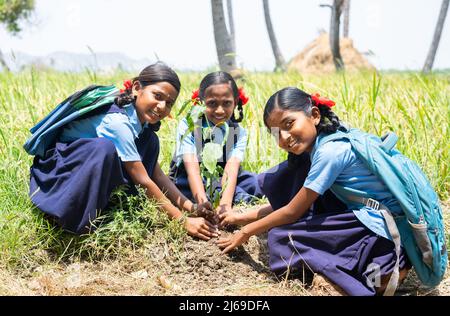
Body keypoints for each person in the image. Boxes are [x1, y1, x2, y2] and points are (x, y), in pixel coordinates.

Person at [216, 87, 411, 296]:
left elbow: (292, 212)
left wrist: (246, 231)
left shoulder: (329, 153)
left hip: (384, 234)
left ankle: (367, 278)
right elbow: (291, 205)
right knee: (289, 185)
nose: (284, 137)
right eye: (276, 133)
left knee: (282, 238)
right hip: (373, 219)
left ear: (315, 116)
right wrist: (239, 217)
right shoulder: (321, 145)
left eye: (289, 124)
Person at [28, 62, 219, 241]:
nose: (162, 106)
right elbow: (143, 180)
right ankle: (68, 217)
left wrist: (191, 207)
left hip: (85, 171)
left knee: (149, 141)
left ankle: (105, 210)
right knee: (104, 149)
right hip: (60, 176)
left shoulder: (140, 125)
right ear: (137, 88)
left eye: (169, 103)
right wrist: (182, 221)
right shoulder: (118, 122)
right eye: (157, 96)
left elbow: (156, 174)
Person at [169, 71, 263, 217]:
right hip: (189, 180)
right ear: (200, 102)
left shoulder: (239, 132)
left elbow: (231, 168)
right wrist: (201, 202)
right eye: (212, 103)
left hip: (222, 178)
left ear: (236, 102)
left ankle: (228, 197)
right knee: (218, 192)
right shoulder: (189, 126)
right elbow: (192, 169)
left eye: (227, 103)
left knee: (257, 182)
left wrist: (224, 205)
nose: (220, 110)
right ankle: (226, 199)